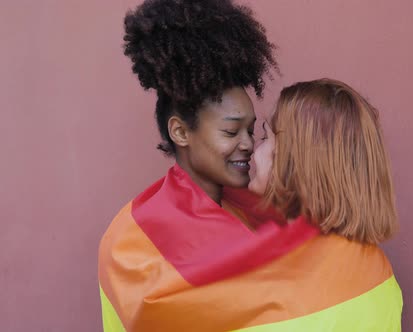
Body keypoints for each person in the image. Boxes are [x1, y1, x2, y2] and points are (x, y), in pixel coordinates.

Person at [98, 0, 320, 331]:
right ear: (181, 131)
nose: (247, 143)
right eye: (231, 131)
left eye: (250, 130)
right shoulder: (134, 241)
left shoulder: (263, 211)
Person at [246, 78, 403, 331]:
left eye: (266, 137)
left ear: (293, 161)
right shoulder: (378, 267)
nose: (253, 152)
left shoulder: (277, 301)